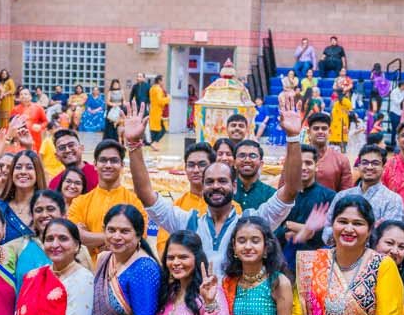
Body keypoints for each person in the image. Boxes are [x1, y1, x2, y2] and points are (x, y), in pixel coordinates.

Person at [126, 94, 304, 273]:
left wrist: (293, 138)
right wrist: (133, 145)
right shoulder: (188, 223)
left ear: (234, 186)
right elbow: (146, 195)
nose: (216, 186)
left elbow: (289, 191)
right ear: (203, 186)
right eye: (209, 181)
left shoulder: (250, 223)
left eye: (222, 181)